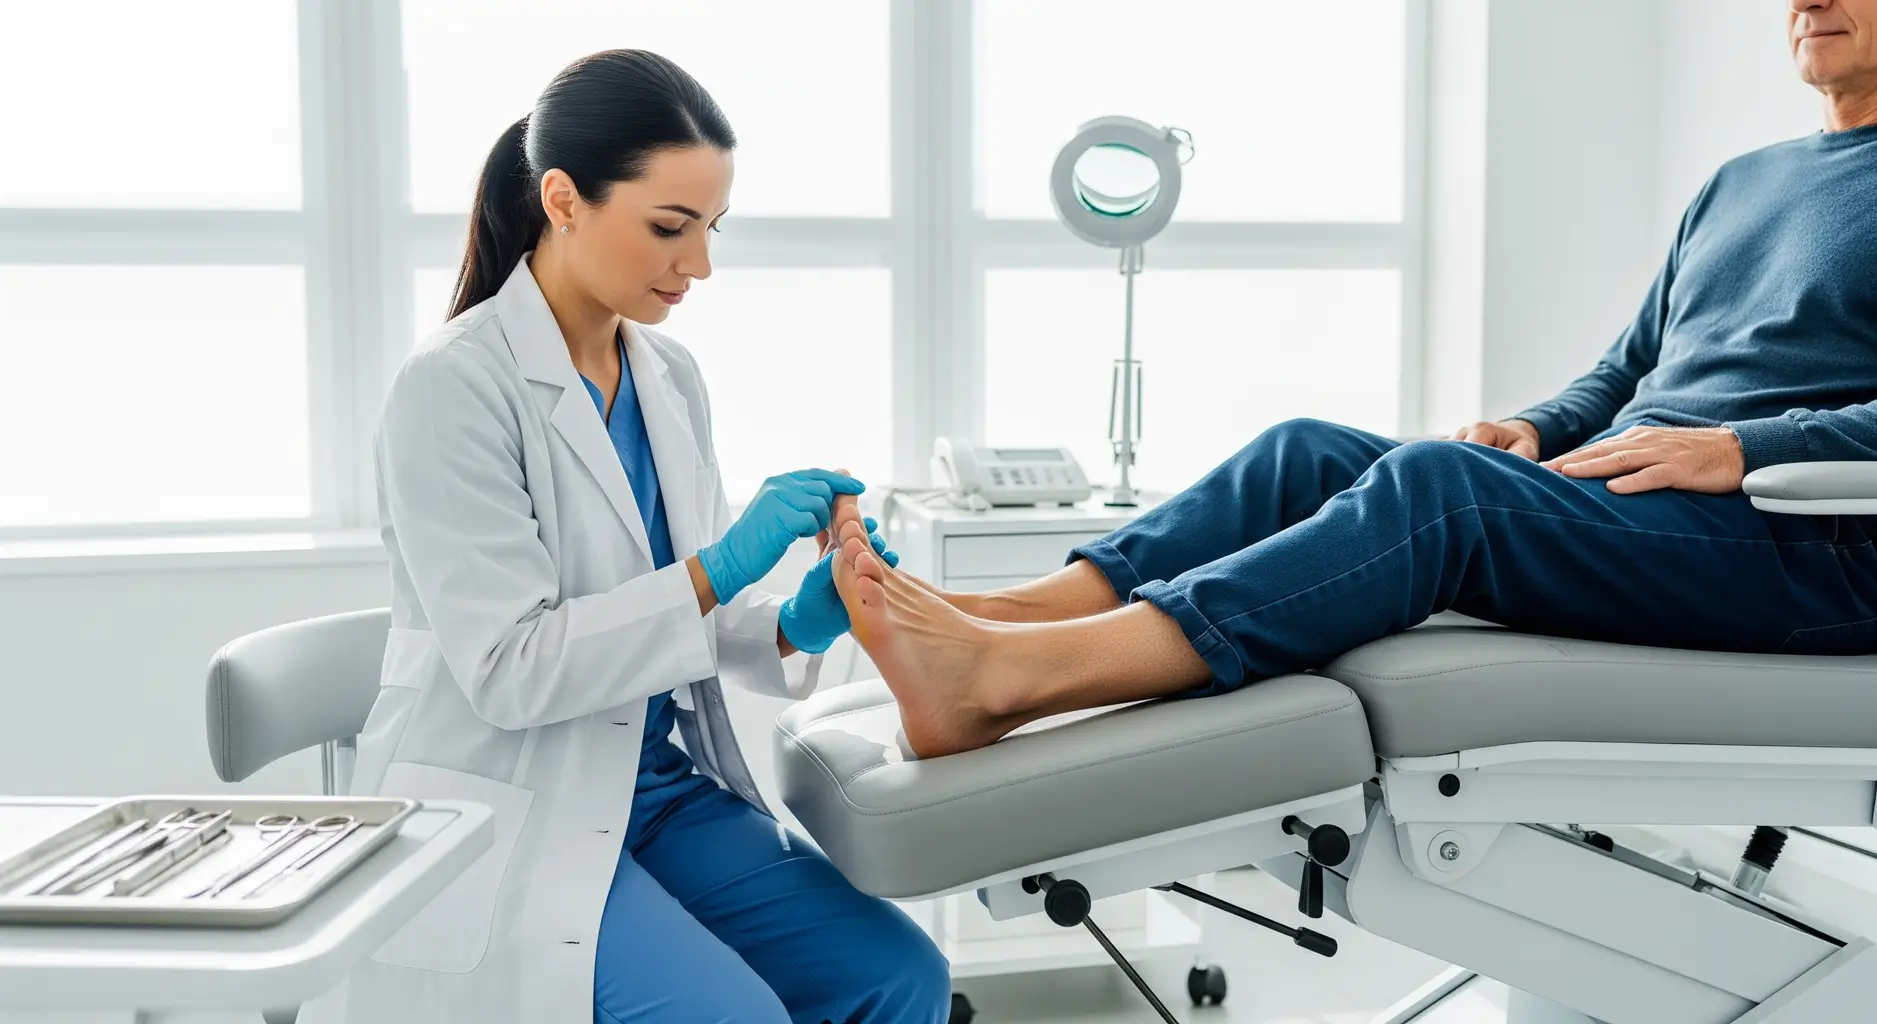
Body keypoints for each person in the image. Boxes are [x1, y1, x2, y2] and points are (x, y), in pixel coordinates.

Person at [825, 0, 1877, 761]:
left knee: (1437, 491)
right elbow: (1626, 367)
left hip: (1795, 543)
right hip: (1641, 497)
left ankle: (1006, 683)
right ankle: (1014, 616)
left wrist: (1741, 448)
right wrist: (1530, 424)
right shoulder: (1742, 180)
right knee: (1305, 451)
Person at [312, 50, 950, 1024]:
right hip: (515, 799)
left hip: (654, 788)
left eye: (709, 229)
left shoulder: (669, 374)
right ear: (563, 200)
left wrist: (794, 623)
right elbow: (512, 670)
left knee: (900, 976)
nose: (697, 265)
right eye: (667, 227)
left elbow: (689, 619)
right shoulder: (451, 387)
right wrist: (717, 566)